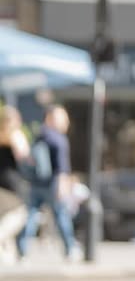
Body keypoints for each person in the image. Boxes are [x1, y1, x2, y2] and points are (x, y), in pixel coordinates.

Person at [16, 104, 81, 261]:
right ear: (51, 118)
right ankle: (70, 248)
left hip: (36, 183)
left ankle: (22, 249)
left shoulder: (39, 135)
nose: (66, 122)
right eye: (62, 118)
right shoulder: (58, 139)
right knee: (61, 215)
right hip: (53, 183)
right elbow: (62, 166)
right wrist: (62, 184)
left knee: (31, 215)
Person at [0, 102, 31, 264]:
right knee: (19, 214)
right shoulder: (14, 136)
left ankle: (9, 256)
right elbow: (23, 153)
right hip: (9, 183)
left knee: (5, 215)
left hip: (3, 182)